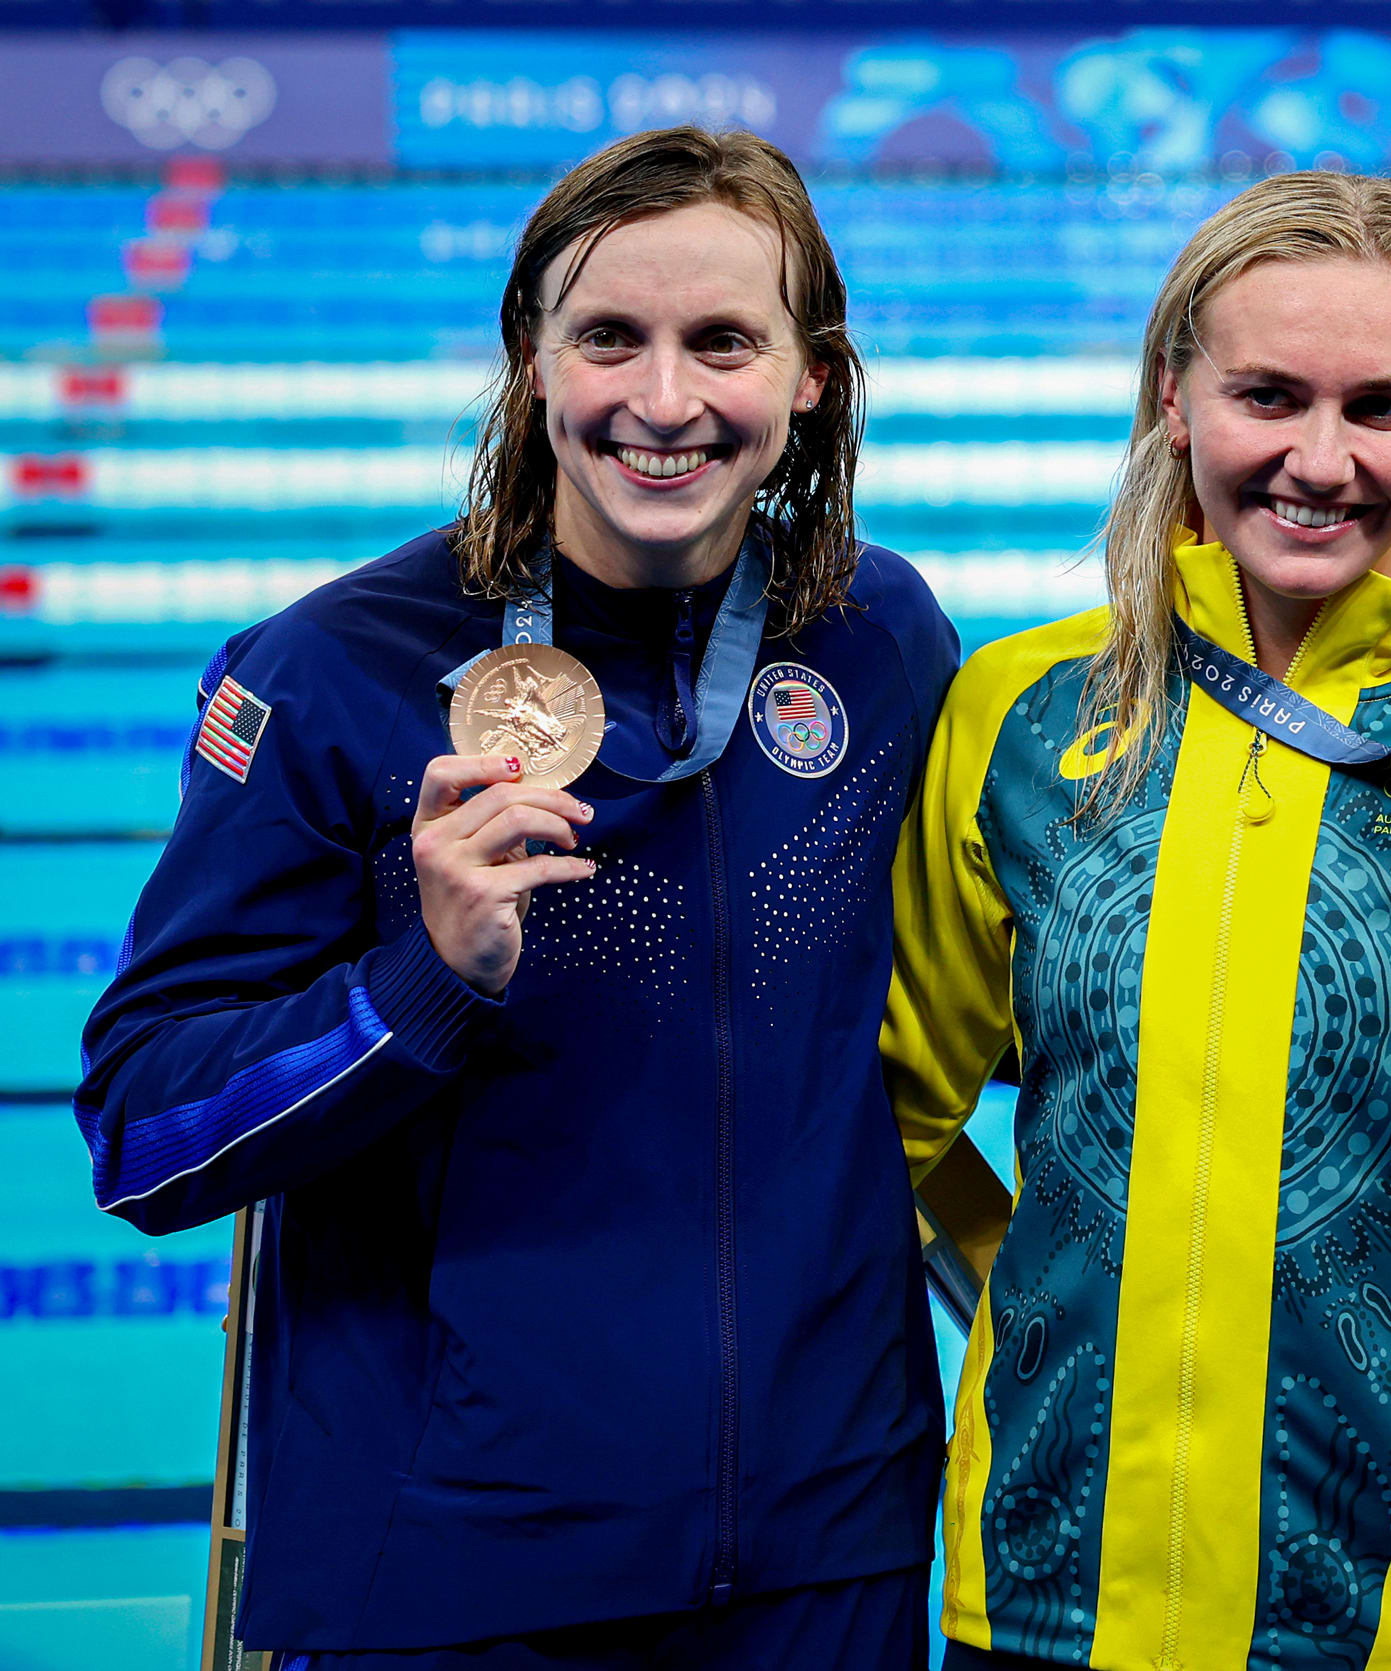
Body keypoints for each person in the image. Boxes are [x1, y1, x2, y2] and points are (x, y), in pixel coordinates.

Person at [75, 127, 954, 1667]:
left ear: (810, 377)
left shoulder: (879, 641)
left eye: (723, 343)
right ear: (530, 359)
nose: (663, 402)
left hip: (833, 1550)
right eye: (609, 337)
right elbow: (145, 1135)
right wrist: (418, 981)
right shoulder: (335, 674)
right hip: (455, 1569)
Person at [881, 171, 1391, 1669]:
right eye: (1267, 395)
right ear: (1171, 397)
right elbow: (885, 1123)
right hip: (1046, 1600)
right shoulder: (1019, 719)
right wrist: (1043, 1293)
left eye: (1380, 408)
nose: (1318, 461)